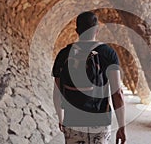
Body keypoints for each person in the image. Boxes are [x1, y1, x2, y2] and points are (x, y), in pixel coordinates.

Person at [52, 11, 126, 144]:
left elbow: (57, 92)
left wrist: (61, 118)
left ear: (77, 31)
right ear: (96, 30)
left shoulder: (63, 54)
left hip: (72, 121)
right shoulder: (108, 53)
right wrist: (122, 126)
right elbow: (117, 93)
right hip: (100, 122)